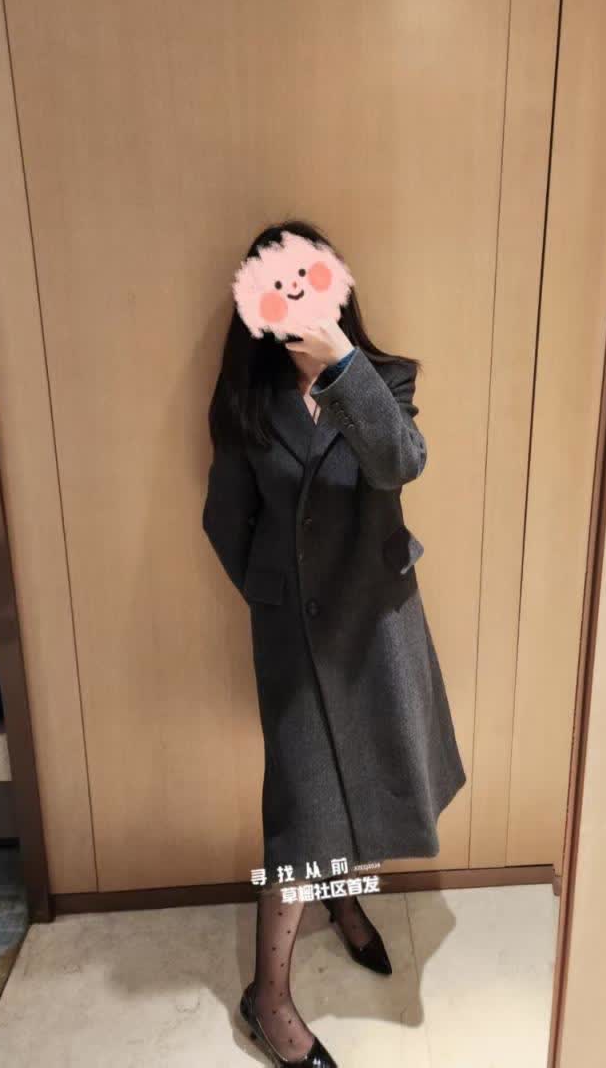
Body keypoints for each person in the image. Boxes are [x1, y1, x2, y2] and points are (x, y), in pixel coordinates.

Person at [203, 219, 466, 1067]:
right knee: (299, 812)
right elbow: (225, 519)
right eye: (275, 288)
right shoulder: (247, 402)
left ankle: (343, 898)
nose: (293, 299)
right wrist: (276, 596)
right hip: (296, 638)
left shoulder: (383, 380)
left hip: (380, 627)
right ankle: (268, 998)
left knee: (372, 784)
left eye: (307, 280)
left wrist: (344, 366)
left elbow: (400, 463)